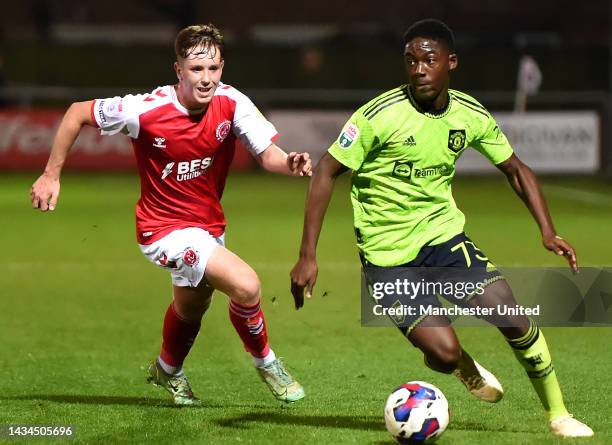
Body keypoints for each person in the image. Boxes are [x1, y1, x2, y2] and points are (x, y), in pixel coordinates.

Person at [290, 19, 593, 437]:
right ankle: (462, 366)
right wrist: (308, 255)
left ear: (450, 63)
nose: (418, 69)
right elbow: (325, 171)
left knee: (512, 317)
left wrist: (547, 230)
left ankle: (559, 414)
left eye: (429, 60)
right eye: (411, 61)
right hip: (387, 257)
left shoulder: (469, 114)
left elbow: (516, 169)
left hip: (444, 240)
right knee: (445, 354)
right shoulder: (379, 116)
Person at [31, 24, 310, 406]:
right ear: (178, 70)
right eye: (196, 69)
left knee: (192, 307)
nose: (206, 78)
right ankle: (268, 364)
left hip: (208, 226)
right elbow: (76, 113)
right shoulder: (145, 110)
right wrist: (51, 173)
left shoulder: (233, 102)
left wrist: (290, 163)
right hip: (163, 229)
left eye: (213, 68)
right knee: (246, 285)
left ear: (222, 66)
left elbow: (268, 154)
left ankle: (167, 370)